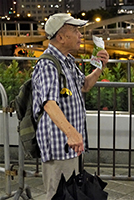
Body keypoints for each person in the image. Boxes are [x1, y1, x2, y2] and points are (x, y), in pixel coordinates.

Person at [32, 13, 109, 200]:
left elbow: (85, 86)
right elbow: (49, 103)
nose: (80, 36)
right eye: (75, 31)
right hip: (60, 144)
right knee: (59, 195)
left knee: (72, 193)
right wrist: (71, 133)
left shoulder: (66, 61)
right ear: (60, 37)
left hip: (71, 144)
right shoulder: (48, 64)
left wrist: (99, 67)